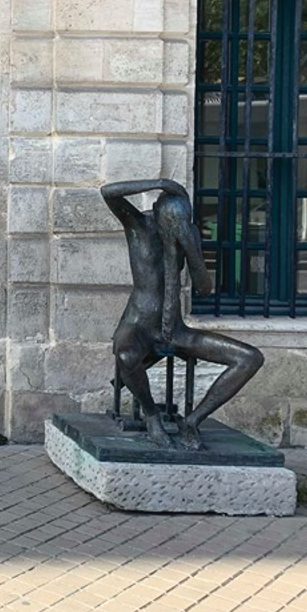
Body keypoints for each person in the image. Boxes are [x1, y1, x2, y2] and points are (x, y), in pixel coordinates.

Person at [101, 179, 264, 450]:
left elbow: (205, 287)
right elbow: (107, 192)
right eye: (169, 223)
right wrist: (161, 183)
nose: (171, 230)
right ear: (156, 212)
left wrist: (188, 245)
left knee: (249, 359)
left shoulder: (187, 233)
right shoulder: (138, 226)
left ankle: (193, 421)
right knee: (127, 355)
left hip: (175, 330)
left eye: (178, 223)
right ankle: (152, 415)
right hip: (139, 325)